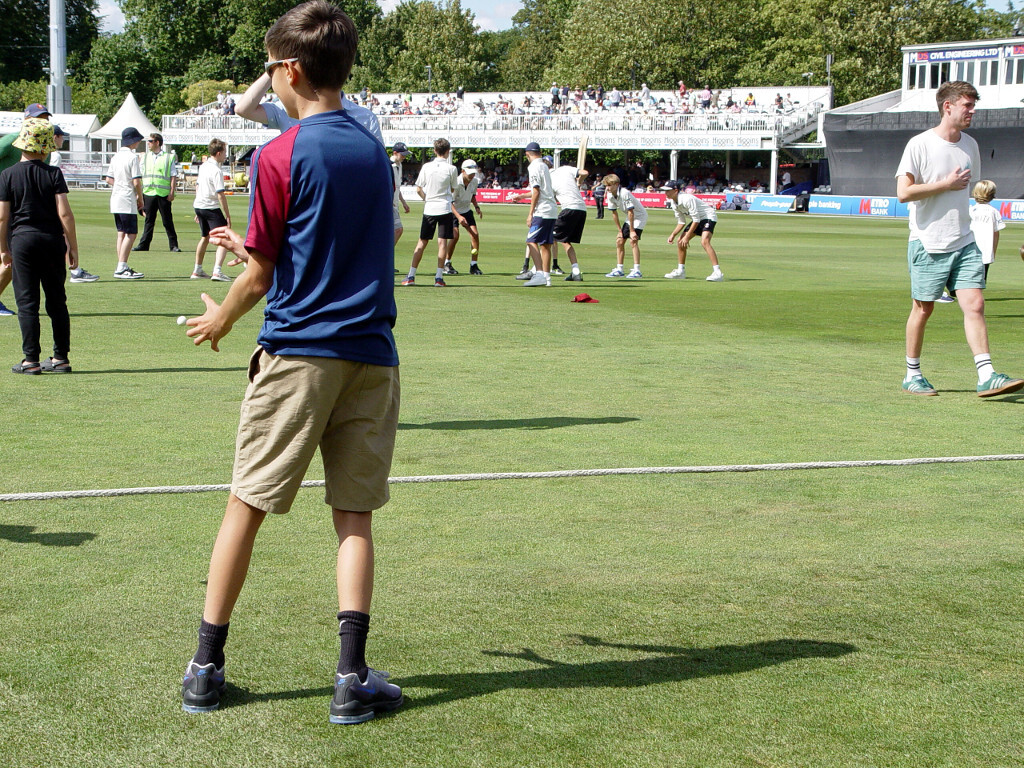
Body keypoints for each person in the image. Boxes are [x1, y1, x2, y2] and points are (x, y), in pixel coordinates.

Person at [179, 0, 402, 724]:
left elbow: (264, 274)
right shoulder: (372, 149)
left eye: (272, 67)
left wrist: (220, 316)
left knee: (246, 504)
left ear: (293, 70)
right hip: (371, 354)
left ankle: (205, 668)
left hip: (300, 351)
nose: (270, 78)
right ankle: (350, 678)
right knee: (354, 516)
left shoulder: (279, 154)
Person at [896, 80, 1022, 398]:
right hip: (928, 242)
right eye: (967, 105)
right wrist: (945, 184)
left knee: (975, 304)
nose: (972, 111)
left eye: (973, 105)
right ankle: (912, 374)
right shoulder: (919, 145)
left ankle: (987, 374)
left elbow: (968, 189)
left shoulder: (970, 145)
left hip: (964, 240)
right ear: (947, 106)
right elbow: (903, 193)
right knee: (923, 309)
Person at [0, 119, 79, 374]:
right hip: (52, 241)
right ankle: (60, 358)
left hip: (22, 241)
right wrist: (73, 246)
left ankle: (30, 359)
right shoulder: (54, 173)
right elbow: (64, 213)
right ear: (46, 148)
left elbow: (2, 217)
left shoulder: (7, 175)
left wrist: (3, 249)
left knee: (27, 302)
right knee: (57, 301)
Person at [234, 55, 383, 144]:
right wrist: (274, 67)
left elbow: (380, 168)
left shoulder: (366, 117)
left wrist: (276, 65)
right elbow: (243, 109)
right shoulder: (284, 110)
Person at [401, 138, 457, 287]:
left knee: (422, 241)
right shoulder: (451, 168)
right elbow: (453, 188)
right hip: (444, 207)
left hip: (430, 208)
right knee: (442, 243)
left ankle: (411, 275)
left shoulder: (426, 166)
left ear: (434, 150)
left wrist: (427, 199)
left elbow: (418, 189)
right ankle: (439, 278)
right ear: (447, 151)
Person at [104, 127, 146, 279]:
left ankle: (121, 264)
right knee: (131, 233)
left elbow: (108, 179)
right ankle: (121, 266)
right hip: (127, 198)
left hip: (116, 198)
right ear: (133, 141)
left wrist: (120, 183)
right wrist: (140, 198)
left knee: (121, 232)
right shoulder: (132, 158)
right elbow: (136, 181)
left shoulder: (115, 157)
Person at [661, 180, 724, 281]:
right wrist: (673, 234)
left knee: (705, 242)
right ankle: (680, 271)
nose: (666, 193)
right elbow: (681, 222)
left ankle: (718, 273)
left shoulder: (687, 199)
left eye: (668, 190)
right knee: (680, 242)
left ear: (676, 191)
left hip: (708, 216)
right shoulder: (673, 203)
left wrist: (687, 237)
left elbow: (696, 220)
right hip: (698, 219)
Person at [191, 139, 232, 281]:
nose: (226, 155)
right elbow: (220, 194)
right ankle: (217, 271)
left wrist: (198, 209)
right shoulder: (216, 170)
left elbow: (198, 186)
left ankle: (197, 270)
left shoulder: (203, 166)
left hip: (200, 205)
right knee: (224, 238)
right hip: (210, 206)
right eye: (225, 152)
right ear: (218, 153)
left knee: (205, 237)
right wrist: (227, 215)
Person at [133, 133, 181, 253]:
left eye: (150, 141)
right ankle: (144, 244)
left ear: (157, 142)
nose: (148, 143)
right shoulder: (145, 157)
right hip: (149, 192)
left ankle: (173, 245)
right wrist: (139, 194)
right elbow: (140, 175)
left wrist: (172, 191)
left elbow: (173, 175)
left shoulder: (168, 157)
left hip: (163, 193)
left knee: (167, 220)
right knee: (149, 220)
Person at [522, 142, 557, 287]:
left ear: (527, 154)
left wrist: (530, 214)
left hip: (542, 210)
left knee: (531, 241)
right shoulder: (544, 165)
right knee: (546, 244)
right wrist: (521, 196)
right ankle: (547, 277)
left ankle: (539, 274)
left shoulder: (533, 167)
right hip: (552, 209)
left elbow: (536, 191)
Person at [549, 158, 589, 282]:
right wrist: (579, 182)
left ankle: (538, 270)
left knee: (548, 237)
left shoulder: (548, 179)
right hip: (582, 209)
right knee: (565, 241)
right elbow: (585, 173)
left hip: (569, 208)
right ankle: (575, 271)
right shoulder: (566, 169)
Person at [602, 173, 646, 279]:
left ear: (616, 184)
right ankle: (619, 269)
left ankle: (637, 270)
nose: (607, 188)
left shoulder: (625, 193)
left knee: (633, 241)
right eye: (606, 185)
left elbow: (631, 212)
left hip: (639, 216)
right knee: (619, 241)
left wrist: (632, 231)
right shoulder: (610, 195)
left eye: (609, 185)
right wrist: (619, 231)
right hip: (630, 217)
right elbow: (614, 213)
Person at [446, 158, 483, 276]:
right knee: (455, 236)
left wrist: (476, 207)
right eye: (470, 173)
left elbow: (472, 196)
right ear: (462, 171)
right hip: (453, 211)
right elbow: (449, 202)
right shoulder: (455, 183)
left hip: (466, 210)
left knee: (475, 234)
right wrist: (458, 217)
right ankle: (447, 263)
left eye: (473, 173)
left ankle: (474, 265)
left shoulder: (474, 181)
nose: (472, 176)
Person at [969, 180, 1004, 282]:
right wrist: (993, 252)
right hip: (985, 252)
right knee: (980, 282)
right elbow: (996, 234)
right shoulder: (993, 212)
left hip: (968, 252)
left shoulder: (970, 210)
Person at [390, 142, 411, 247]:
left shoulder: (400, 165)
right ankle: (386, 253)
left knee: (392, 231)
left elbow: (397, 187)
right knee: (398, 229)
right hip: (389, 205)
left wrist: (403, 202)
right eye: (402, 154)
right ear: (395, 153)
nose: (404, 157)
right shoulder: (389, 165)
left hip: (395, 204)